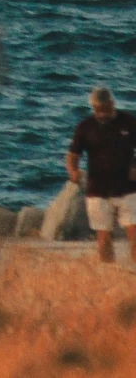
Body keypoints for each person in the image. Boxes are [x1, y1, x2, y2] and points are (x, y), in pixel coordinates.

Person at [67, 85, 136, 262]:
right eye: (98, 109)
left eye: (105, 108)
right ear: (93, 107)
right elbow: (73, 154)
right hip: (97, 189)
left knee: (134, 234)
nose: (102, 113)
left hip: (128, 188)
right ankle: (109, 272)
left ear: (112, 103)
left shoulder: (128, 122)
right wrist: (73, 171)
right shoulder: (85, 126)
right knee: (103, 238)